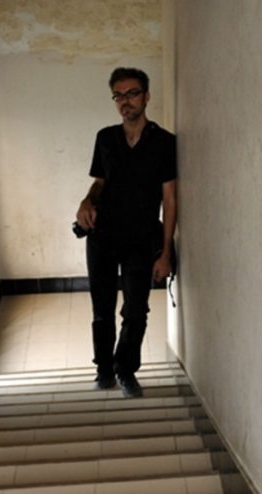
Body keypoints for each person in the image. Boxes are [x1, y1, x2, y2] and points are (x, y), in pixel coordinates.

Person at [76, 67, 176, 398]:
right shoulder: (105, 138)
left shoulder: (165, 143)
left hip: (141, 239)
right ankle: (104, 369)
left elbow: (170, 199)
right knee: (101, 309)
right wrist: (86, 201)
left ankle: (125, 370)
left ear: (147, 96)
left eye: (132, 93)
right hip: (102, 237)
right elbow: (99, 183)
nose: (125, 102)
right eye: (118, 95)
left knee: (136, 309)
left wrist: (165, 252)